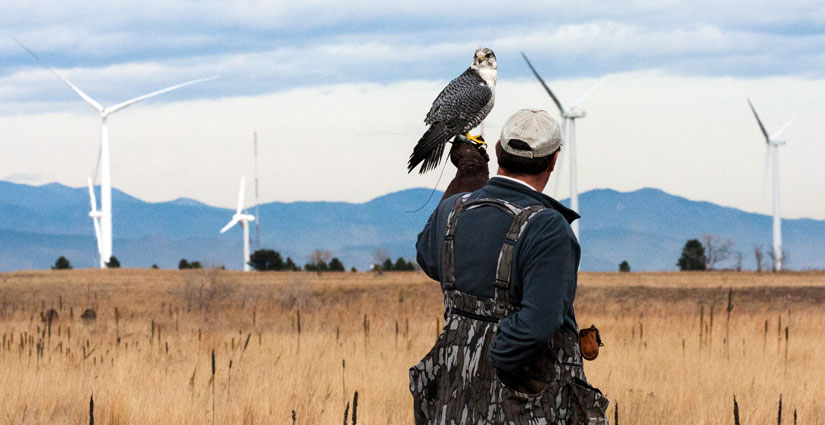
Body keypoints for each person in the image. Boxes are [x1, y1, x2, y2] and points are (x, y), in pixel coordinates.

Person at [409, 109, 609, 424]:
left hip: (451, 400)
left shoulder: (451, 210)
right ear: (554, 161)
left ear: (499, 150)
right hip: (524, 407)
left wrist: (464, 180)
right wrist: (497, 367)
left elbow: (427, 257)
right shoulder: (547, 228)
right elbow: (537, 324)